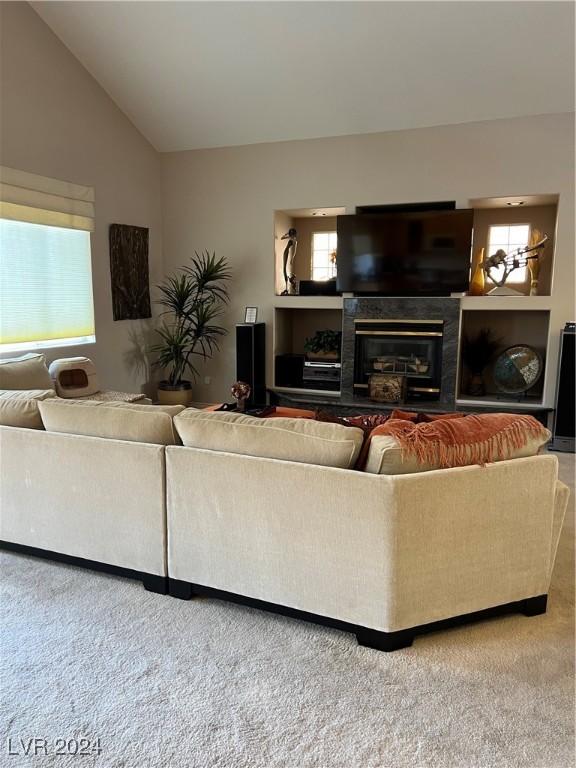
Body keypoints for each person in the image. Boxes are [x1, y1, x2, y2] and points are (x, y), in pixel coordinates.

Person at [280, 228, 298, 295]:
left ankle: (288, 281)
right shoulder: (290, 237)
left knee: (284, 268)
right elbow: (282, 238)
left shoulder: (295, 241)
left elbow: (295, 252)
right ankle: (287, 282)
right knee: (284, 268)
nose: (292, 235)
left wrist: (292, 258)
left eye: (292, 234)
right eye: (291, 234)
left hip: (287, 252)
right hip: (285, 252)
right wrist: (287, 234)